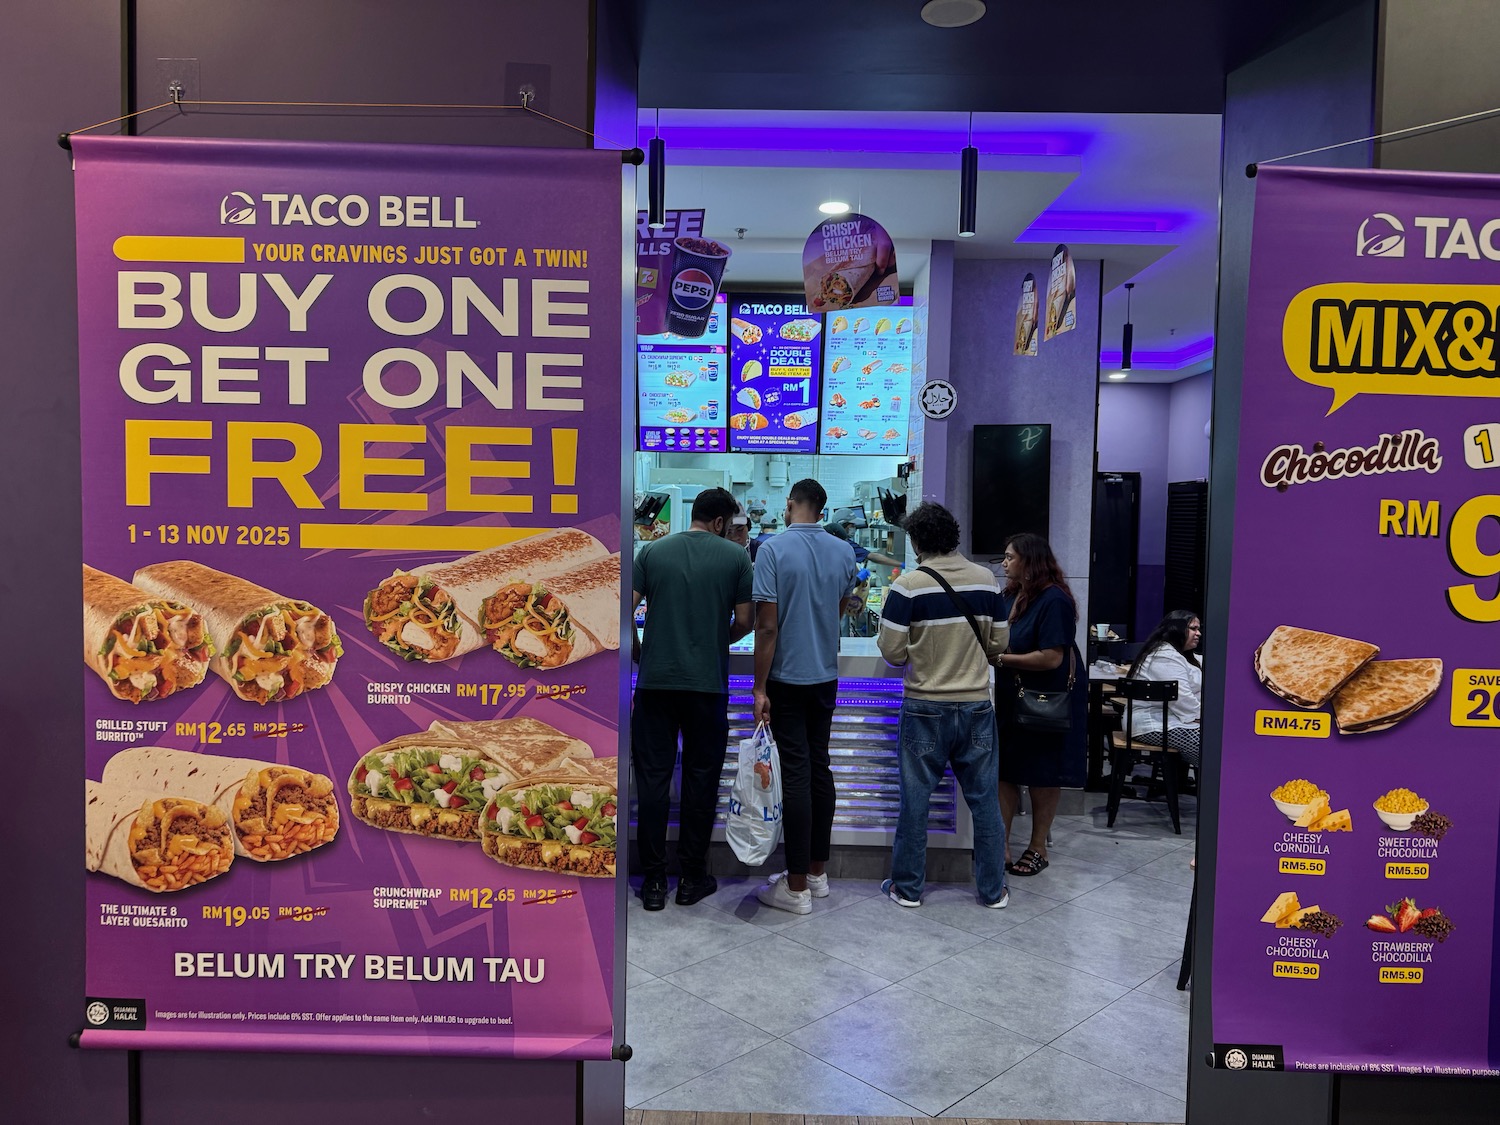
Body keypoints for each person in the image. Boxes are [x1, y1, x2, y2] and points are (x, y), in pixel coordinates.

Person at [876, 502, 1010, 908]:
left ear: (916, 541)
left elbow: (892, 652)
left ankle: (909, 889)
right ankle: (992, 891)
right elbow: (999, 644)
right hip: (976, 706)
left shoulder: (908, 585)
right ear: (953, 536)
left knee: (915, 802)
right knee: (985, 802)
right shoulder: (987, 580)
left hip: (925, 708)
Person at [631, 487, 754, 911]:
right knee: (701, 782)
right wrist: (719, 641)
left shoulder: (651, 552)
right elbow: (745, 621)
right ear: (719, 523)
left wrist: (638, 652)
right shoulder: (736, 558)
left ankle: (651, 883)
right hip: (707, 688)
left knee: (653, 782)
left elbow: (624, 611)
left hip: (654, 686)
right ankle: (690, 879)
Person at [751, 478, 858, 914]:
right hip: (824, 677)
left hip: (787, 677)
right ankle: (816, 874)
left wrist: (758, 687)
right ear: (823, 508)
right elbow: (837, 610)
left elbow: (767, 626)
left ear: (791, 505)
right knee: (819, 766)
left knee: (795, 774)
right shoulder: (844, 551)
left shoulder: (772, 550)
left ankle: (794, 889)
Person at [994, 532, 1085, 878]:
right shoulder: (1011, 597)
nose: (1004, 563)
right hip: (1011, 697)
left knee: (1043, 774)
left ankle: (1037, 847)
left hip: (1045, 700)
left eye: (1010, 557)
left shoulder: (1054, 600)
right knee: (1006, 770)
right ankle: (999, 844)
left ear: (1029, 562)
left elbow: (1051, 658)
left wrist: (1001, 660)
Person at [1124, 610, 1203, 766]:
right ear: (1176, 629)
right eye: (1193, 628)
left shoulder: (1182, 655)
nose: (1198, 633)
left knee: (1220, 738)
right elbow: (1183, 702)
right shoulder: (1164, 656)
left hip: (1173, 720)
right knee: (1210, 744)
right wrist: (1213, 721)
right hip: (1152, 725)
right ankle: (1218, 786)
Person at [823, 508, 903, 570]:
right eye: (852, 525)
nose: (855, 528)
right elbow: (873, 556)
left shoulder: (837, 540)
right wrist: (901, 564)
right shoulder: (844, 544)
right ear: (843, 525)